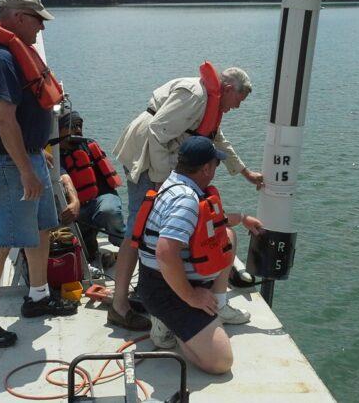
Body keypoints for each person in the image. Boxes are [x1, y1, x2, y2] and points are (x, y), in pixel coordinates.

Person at [0, 0, 79, 348]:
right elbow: (2, 119)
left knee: (43, 226)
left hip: (26, 157)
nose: (41, 28)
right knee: (1, 240)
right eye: (38, 20)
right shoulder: (1, 59)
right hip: (7, 163)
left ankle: (39, 296)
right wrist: (24, 169)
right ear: (18, 18)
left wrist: (35, 153)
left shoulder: (15, 52)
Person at [107, 64, 264, 330]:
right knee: (138, 227)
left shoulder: (211, 102)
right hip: (146, 154)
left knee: (153, 225)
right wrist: (162, 181)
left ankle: (161, 290)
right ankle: (119, 306)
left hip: (162, 154)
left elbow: (215, 138)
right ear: (227, 89)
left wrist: (245, 172)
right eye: (240, 100)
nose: (238, 107)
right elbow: (157, 131)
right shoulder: (194, 94)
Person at [134, 136, 264, 374]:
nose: (216, 169)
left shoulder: (176, 183)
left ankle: (216, 307)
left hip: (167, 277)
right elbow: (165, 253)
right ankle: (170, 323)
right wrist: (191, 297)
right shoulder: (186, 199)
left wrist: (243, 218)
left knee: (227, 235)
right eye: (215, 164)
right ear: (206, 168)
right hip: (166, 289)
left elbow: (213, 222)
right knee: (221, 361)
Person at [56, 110, 123, 267]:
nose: (78, 130)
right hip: (77, 208)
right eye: (72, 126)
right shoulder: (54, 155)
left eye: (79, 125)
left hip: (102, 198)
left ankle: (127, 249)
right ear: (58, 130)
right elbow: (64, 179)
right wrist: (74, 202)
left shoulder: (89, 145)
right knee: (84, 255)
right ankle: (98, 252)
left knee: (110, 211)